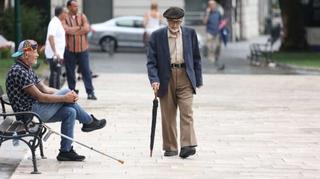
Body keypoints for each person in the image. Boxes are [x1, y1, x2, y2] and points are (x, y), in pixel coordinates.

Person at [6, 40, 107, 161]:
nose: (38, 55)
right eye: (35, 52)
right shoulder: (19, 71)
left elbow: (45, 89)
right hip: (29, 115)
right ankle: (89, 122)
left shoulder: (26, 69)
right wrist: (65, 96)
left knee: (70, 112)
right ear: (26, 54)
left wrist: (69, 94)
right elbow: (41, 97)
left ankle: (65, 151)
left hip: (35, 110)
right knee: (65, 92)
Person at [146, 7, 203, 159]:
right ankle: (170, 147)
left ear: (182, 21)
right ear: (167, 21)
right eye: (172, 22)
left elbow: (196, 57)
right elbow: (151, 62)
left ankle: (187, 145)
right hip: (166, 77)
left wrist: (197, 79)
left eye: (178, 22)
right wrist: (154, 80)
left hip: (185, 76)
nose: (175, 25)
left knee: (187, 112)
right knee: (168, 115)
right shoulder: (157, 36)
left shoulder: (190, 33)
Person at [62, 0, 97, 100]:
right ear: (69, 7)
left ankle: (90, 92)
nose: (76, 8)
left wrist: (73, 30)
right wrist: (79, 29)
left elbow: (86, 28)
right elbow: (65, 29)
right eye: (74, 6)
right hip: (70, 50)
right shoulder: (65, 17)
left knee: (86, 71)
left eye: (77, 6)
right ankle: (71, 92)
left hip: (83, 49)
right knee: (70, 73)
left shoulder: (82, 16)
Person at [45, 6, 67, 89]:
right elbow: (51, 36)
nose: (66, 14)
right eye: (65, 12)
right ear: (61, 13)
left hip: (57, 54)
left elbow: (54, 37)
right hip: (54, 55)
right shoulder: (54, 22)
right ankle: (54, 96)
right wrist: (55, 52)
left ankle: (56, 95)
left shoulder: (57, 22)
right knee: (55, 75)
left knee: (56, 74)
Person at [203, 0, 224, 70]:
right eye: (210, 5)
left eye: (213, 5)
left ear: (215, 5)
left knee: (217, 46)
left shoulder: (218, 13)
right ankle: (211, 59)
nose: (212, 6)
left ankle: (216, 57)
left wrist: (222, 28)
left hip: (217, 32)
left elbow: (221, 22)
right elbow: (205, 22)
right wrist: (208, 13)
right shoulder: (207, 13)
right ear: (209, 6)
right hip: (209, 32)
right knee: (209, 46)